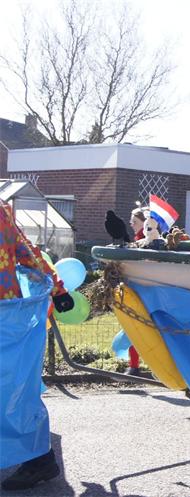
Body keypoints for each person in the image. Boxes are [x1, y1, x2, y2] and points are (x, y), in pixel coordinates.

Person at [1, 200, 74, 491]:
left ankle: (39, 460)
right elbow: (26, 251)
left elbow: (24, 250)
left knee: (12, 389)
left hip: (5, 316)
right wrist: (57, 288)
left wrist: (58, 289)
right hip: (7, 313)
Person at [126, 204, 148, 375]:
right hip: (138, 287)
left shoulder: (144, 241)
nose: (131, 224)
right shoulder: (137, 239)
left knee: (137, 329)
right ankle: (133, 365)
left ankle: (134, 366)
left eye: (134, 221)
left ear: (143, 222)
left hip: (141, 288)